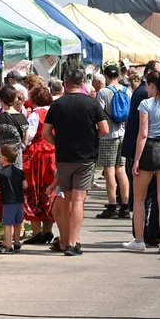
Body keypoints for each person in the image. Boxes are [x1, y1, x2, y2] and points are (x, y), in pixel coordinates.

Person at [42, 67, 109, 256]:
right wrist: (91, 138)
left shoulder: (57, 104)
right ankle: (73, 242)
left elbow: (45, 133)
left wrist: (60, 143)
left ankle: (67, 240)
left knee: (69, 200)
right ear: (82, 83)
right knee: (79, 200)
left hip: (64, 158)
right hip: (86, 157)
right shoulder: (92, 103)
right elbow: (104, 129)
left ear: (66, 82)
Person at [124, 68, 160, 254]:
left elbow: (142, 134)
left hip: (150, 147)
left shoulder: (146, 104)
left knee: (139, 198)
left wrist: (136, 160)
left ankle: (139, 240)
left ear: (151, 85)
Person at [0, 85, 28, 251]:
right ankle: (18, 235)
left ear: (1, 100)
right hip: (16, 163)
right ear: (15, 98)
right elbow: (25, 142)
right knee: (15, 200)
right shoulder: (23, 119)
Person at [95, 64, 132, 220]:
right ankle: (125, 205)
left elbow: (99, 114)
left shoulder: (103, 92)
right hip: (123, 133)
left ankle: (111, 205)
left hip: (107, 135)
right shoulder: (127, 91)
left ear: (106, 76)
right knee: (121, 170)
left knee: (109, 171)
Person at [22, 85, 57, 245]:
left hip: (37, 156)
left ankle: (36, 231)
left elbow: (29, 137)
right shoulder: (54, 111)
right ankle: (47, 230)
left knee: (34, 190)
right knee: (49, 190)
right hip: (53, 154)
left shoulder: (35, 114)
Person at [0, 144, 27, 255]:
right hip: (19, 201)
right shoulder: (20, 172)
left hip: (8, 202)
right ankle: (16, 243)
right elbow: (25, 185)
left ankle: (7, 245)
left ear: (4, 159)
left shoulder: (0, 173)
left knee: (7, 224)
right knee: (17, 223)